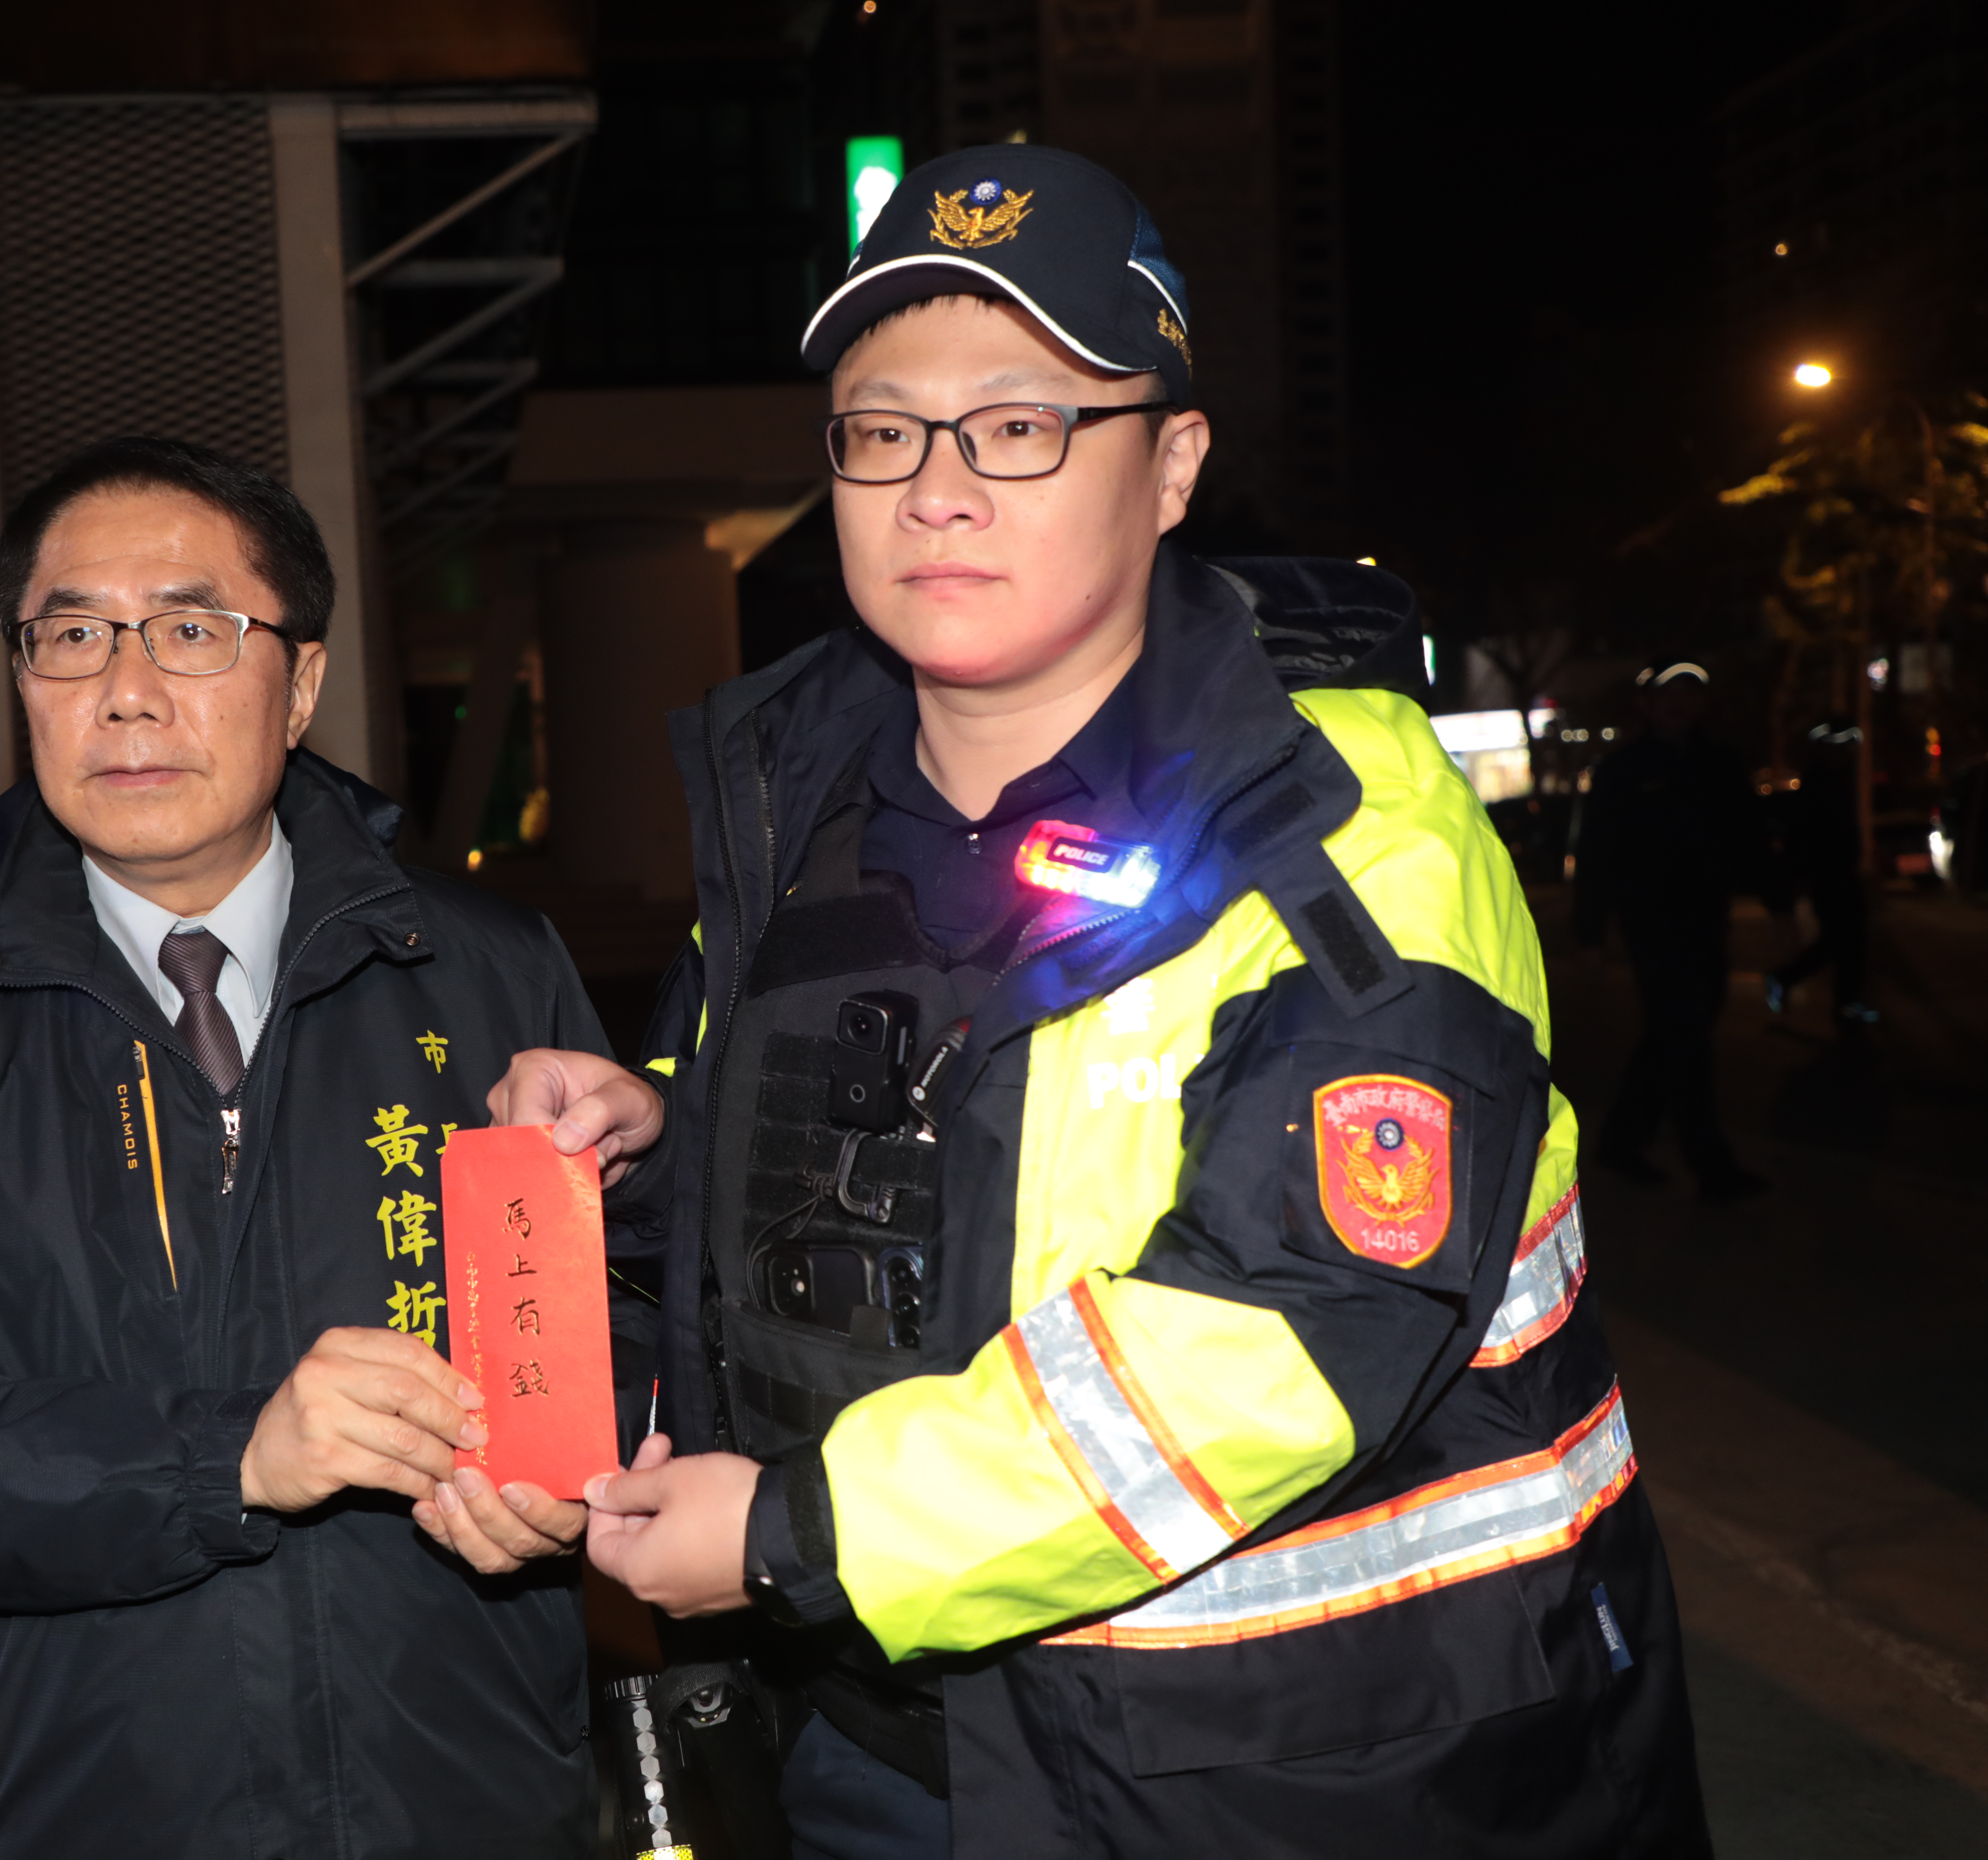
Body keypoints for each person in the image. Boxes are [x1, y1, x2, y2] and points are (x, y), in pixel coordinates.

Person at [493, 145, 1709, 1857]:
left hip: (1305, 1780)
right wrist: (657, 1143)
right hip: (869, 1744)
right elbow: (920, 1173)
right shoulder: (800, 810)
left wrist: (795, 1533)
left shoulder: (1340, 835)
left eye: (1020, 425)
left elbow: (1270, 1337)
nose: (937, 488)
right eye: (882, 427)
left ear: (1172, 465)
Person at [0, 436, 613, 1858]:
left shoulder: (487, 973)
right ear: (22, 679)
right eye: (73, 636)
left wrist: (576, 1468)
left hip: (459, 1793)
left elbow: (634, 1346)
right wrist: (230, 1460)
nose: (128, 691)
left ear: (305, 682)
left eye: (195, 631)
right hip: (79, 1804)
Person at [1574, 661, 1770, 1199]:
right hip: (1652, 927)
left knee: (1676, 1034)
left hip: (1707, 920)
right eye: (1668, 694)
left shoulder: (1721, 764)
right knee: (1685, 1039)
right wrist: (1590, 933)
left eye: (1689, 692)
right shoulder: (1622, 772)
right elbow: (1595, 856)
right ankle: (1711, 1165)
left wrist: (1781, 902)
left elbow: (1750, 839)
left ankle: (1621, 1142)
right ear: (1647, 705)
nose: (1678, 703)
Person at [1765, 717, 1873, 1029]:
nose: (1844, 753)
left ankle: (1843, 1002)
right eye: (1838, 747)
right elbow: (1807, 837)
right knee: (1844, 940)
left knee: (1846, 941)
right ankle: (1800, 984)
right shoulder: (1818, 786)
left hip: (1839, 873)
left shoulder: (1839, 781)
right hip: (1829, 876)